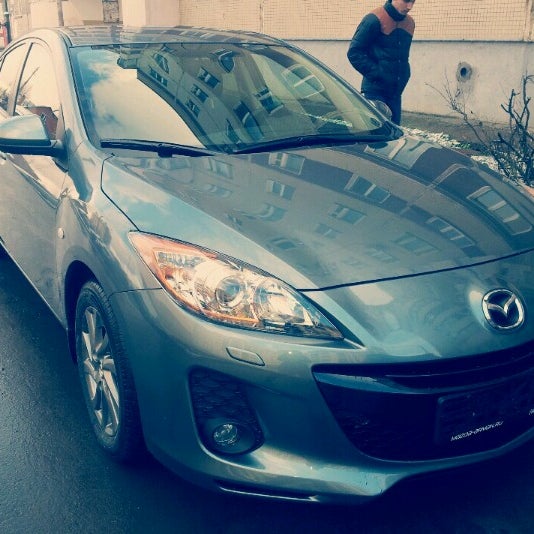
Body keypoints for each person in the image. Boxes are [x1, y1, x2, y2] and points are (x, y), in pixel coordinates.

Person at [347, 0, 415, 125]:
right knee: (376, 134)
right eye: (406, 1)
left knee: (394, 133)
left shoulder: (410, 23)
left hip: (396, 93)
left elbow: (402, 56)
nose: (410, 6)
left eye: (413, 1)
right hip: (374, 91)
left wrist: (406, 74)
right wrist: (378, 74)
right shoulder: (374, 19)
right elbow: (354, 52)